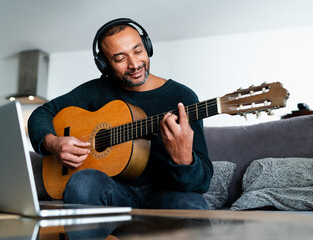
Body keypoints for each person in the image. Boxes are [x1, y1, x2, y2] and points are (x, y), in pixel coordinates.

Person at [28, 18, 213, 209]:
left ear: (147, 47)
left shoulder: (182, 97)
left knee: (193, 206)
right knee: (82, 183)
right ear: (105, 65)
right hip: (114, 190)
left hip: (166, 193)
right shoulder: (96, 91)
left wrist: (184, 159)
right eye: (120, 58)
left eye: (138, 50)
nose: (134, 64)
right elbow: (42, 113)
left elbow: (201, 183)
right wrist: (53, 143)